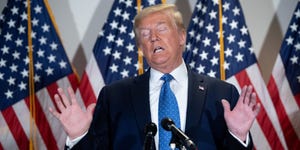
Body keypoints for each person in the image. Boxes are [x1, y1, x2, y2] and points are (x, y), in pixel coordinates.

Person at [49, 4, 261, 150]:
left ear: (181, 36)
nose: (154, 37)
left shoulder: (221, 93)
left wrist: (238, 136)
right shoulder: (114, 96)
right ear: (140, 47)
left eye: (161, 29)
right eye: (145, 34)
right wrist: (78, 136)